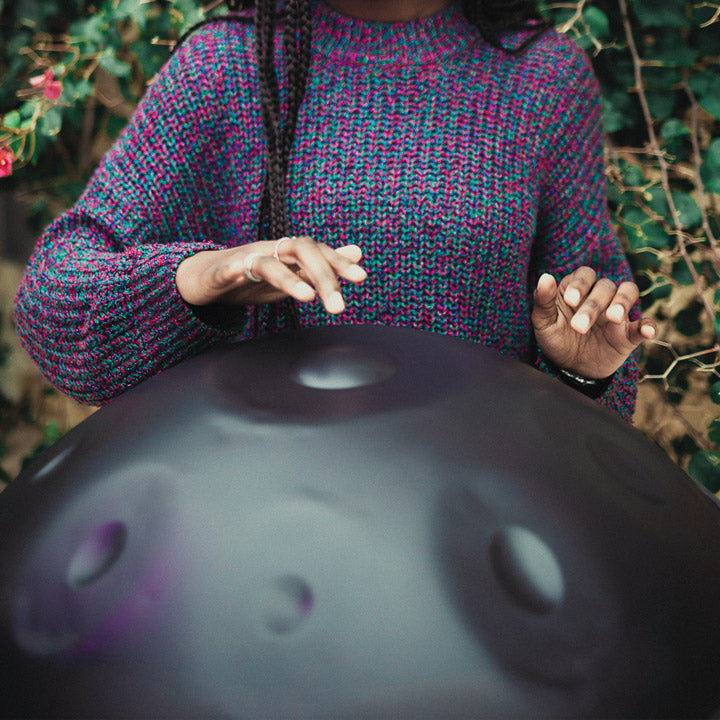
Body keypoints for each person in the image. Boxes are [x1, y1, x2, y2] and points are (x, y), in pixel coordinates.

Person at [13, 0, 656, 420]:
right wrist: (204, 278)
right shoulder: (230, 63)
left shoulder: (543, 76)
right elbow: (54, 314)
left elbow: (598, 362)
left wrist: (585, 376)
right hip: (265, 529)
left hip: (473, 533)